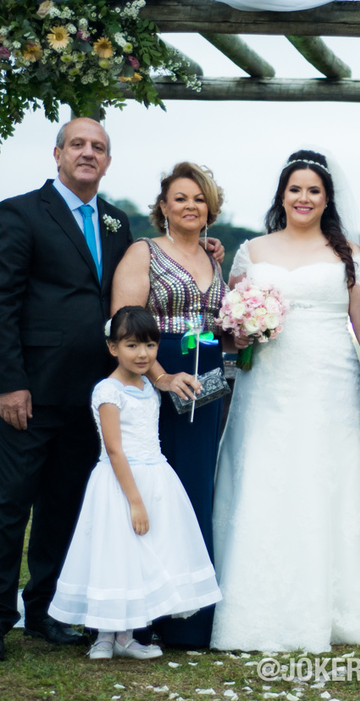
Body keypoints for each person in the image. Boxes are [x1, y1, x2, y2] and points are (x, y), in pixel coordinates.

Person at [210, 150, 360, 652]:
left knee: (332, 479)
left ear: (327, 198)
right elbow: (231, 326)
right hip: (268, 381)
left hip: (331, 378)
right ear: (282, 194)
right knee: (268, 476)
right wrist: (240, 326)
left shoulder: (349, 255)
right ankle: (258, 606)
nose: (304, 198)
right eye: (295, 189)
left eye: (314, 191)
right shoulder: (250, 251)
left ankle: (347, 609)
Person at [0, 117, 133, 662]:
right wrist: (10, 383)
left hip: (91, 394)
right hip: (31, 392)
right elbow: (1, 303)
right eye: (79, 145)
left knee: (64, 504)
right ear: (57, 153)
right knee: (12, 504)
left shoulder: (115, 222)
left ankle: (43, 610)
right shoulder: (19, 214)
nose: (89, 153)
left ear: (107, 162)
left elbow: (124, 295)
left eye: (99, 148)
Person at [49, 307, 221, 660]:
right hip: (120, 485)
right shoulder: (108, 391)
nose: (143, 354)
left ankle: (127, 637)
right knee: (115, 553)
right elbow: (114, 451)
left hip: (156, 477)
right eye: (131, 345)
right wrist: (135, 501)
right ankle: (102, 636)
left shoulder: (149, 386)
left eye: (150, 345)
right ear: (113, 348)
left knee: (141, 555)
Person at [110, 161, 227, 649]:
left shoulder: (215, 257)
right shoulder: (144, 252)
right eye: (180, 198)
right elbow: (123, 324)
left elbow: (221, 321)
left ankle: (190, 619)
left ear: (210, 207)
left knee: (196, 490)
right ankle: (142, 616)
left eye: (198, 198)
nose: (190, 206)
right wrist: (159, 377)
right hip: (158, 379)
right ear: (163, 206)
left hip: (211, 381)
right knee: (157, 489)